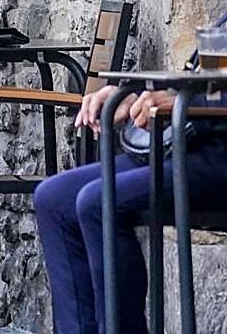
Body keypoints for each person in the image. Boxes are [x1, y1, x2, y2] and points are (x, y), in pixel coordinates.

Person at [33, 83, 227, 334]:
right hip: (191, 143)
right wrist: (134, 96)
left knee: (98, 201)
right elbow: (206, 74)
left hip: (217, 157)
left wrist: (188, 103)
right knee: (55, 199)